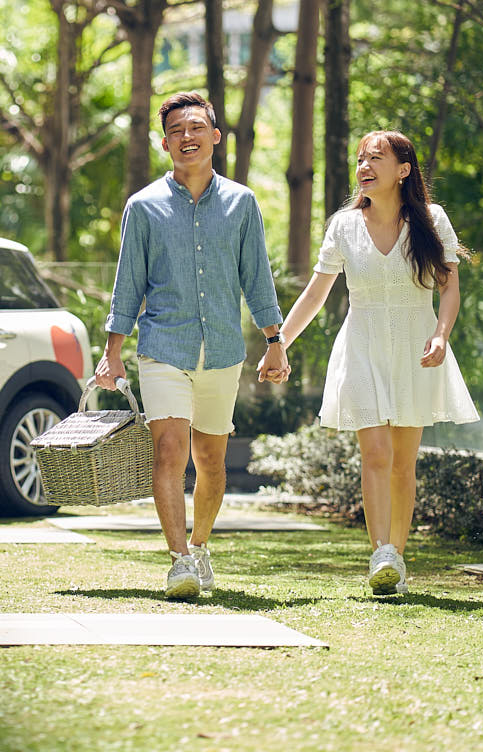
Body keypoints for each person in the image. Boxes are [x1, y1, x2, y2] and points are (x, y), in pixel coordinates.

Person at [95, 91, 288, 601]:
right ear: (164, 143)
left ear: (215, 136)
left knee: (212, 462)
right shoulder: (143, 207)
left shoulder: (243, 203)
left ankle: (200, 544)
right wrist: (113, 352)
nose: (187, 137)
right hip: (163, 348)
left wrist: (275, 340)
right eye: (177, 131)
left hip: (223, 350)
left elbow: (258, 278)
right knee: (169, 450)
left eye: (196, 128)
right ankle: (179, 560)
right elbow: (127, 284)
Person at [276, 129, 479, 596]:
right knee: (376, 453)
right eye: (360, 159)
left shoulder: (432, 219)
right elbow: (315, 294)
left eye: (376, 158)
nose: (364, 167)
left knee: (404, 463)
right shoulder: (343, 226)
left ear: (403, 170)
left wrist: (441, 335)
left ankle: (398, 556)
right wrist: (280, 342)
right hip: (362, 344)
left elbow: (449, 287)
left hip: (416, 347)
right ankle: (380, 554)